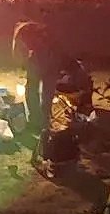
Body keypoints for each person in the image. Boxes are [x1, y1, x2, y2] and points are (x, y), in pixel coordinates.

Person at [12, 20, 91, 171]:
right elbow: (22, 55)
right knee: (38, 92)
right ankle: (40, 121)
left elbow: (26, 55)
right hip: (44, 63)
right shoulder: (31, 38)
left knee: (41, 93)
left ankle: (40, 121)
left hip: (48, 63)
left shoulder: (42, 40)